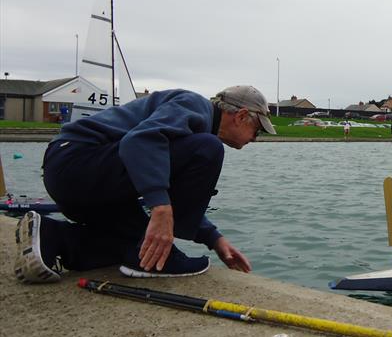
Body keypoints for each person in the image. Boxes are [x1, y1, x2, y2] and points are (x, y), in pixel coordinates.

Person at [14, 85, 276, 284]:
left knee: (139, 249)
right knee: (208, 149)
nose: (256, 138)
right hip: (79, 162)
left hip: (78, 176)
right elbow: (139, 141)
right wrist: (161, 207)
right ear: (241, 115)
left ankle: (54, 238)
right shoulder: (194, 106)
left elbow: (158, 164)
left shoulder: (193, 120)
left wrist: (214, 239)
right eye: (258, 130)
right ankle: (167, 255)